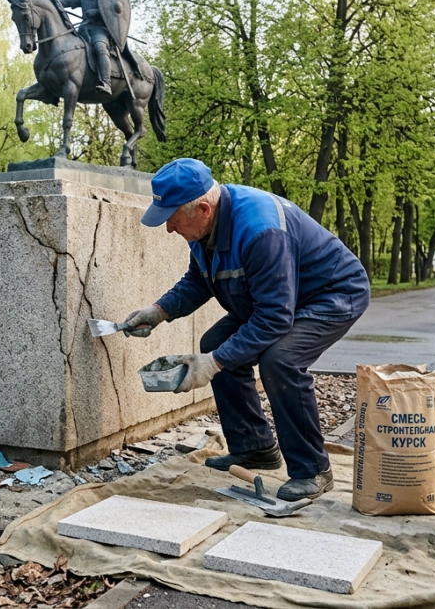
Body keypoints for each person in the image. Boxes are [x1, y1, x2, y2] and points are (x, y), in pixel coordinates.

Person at [120, 158, 370, 501]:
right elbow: (199, 279)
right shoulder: (205, 225)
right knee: (216, 341)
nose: (169, 229)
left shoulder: (260, 231)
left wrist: (212, 364)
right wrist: (159, 310)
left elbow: (274, 319)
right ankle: (256, 448)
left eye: (172, 220)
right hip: (278, 295)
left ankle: (313, 469)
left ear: (203, 209)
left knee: (280, 360)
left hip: (332, 293)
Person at [59, 0, 119, 95]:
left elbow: (114, 11)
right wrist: (48, 0)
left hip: (100, 30)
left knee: (99, 48)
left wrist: (97, 12)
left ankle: (106, 82)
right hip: (84, 30)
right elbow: (67, 0)